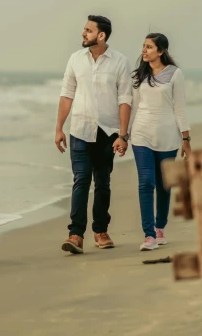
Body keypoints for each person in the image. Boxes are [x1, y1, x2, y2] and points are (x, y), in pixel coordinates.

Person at [54, 15, 133, 254]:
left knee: (103, 183)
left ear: (101, 35)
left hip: (107, 132)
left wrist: (123, 135)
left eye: (88, 30)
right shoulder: (75, 60)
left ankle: (100, 231)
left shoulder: (120, 62)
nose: (83, 33)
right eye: (84, 29)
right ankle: (76, 234)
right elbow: (67, 94)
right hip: (79, 129)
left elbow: (125, 99)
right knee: (81, 181)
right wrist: (59, 127)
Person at [128, 33, 191, 251]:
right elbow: (134, 108)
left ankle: (160, 227)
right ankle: (149, 235)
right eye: (143, 46)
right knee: (146, 182)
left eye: (149, 47)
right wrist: (123, 135)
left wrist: (186, 138)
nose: (144, 50)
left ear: (161, 51)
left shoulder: (175, 74)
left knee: (164, 186)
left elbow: (179, 107)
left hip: (167, 136)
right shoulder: (139, 75)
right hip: (141, 134)